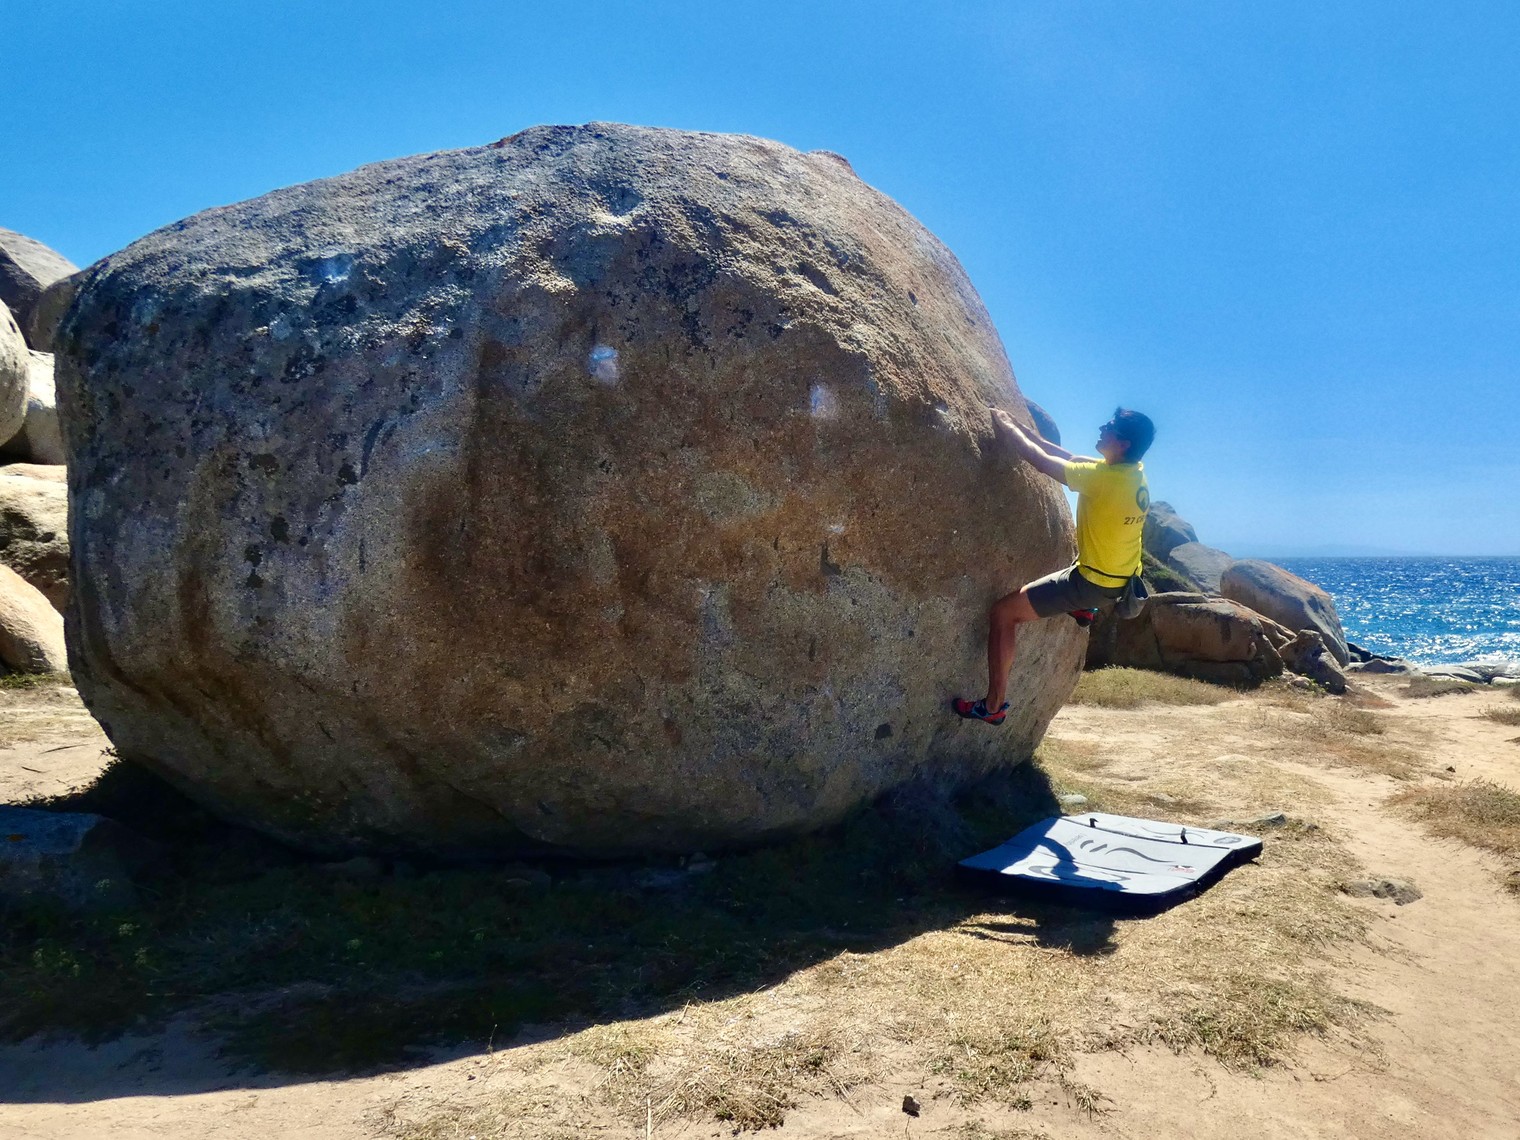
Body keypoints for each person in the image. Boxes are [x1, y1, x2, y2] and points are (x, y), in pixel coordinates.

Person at [952, 406, 1155, 725]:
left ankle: (993, 706)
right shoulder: (1131, 472)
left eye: (1110, 426)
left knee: (1003, 614)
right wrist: (1023, 427)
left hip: (1092, 584)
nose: (1102, 428)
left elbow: (1041, 461)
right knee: (1082, 552)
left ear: (1123, 443)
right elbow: (1070, 457)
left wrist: (1006, 427)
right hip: (1121, 578)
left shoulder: (1104, 480)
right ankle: (1084, 609)